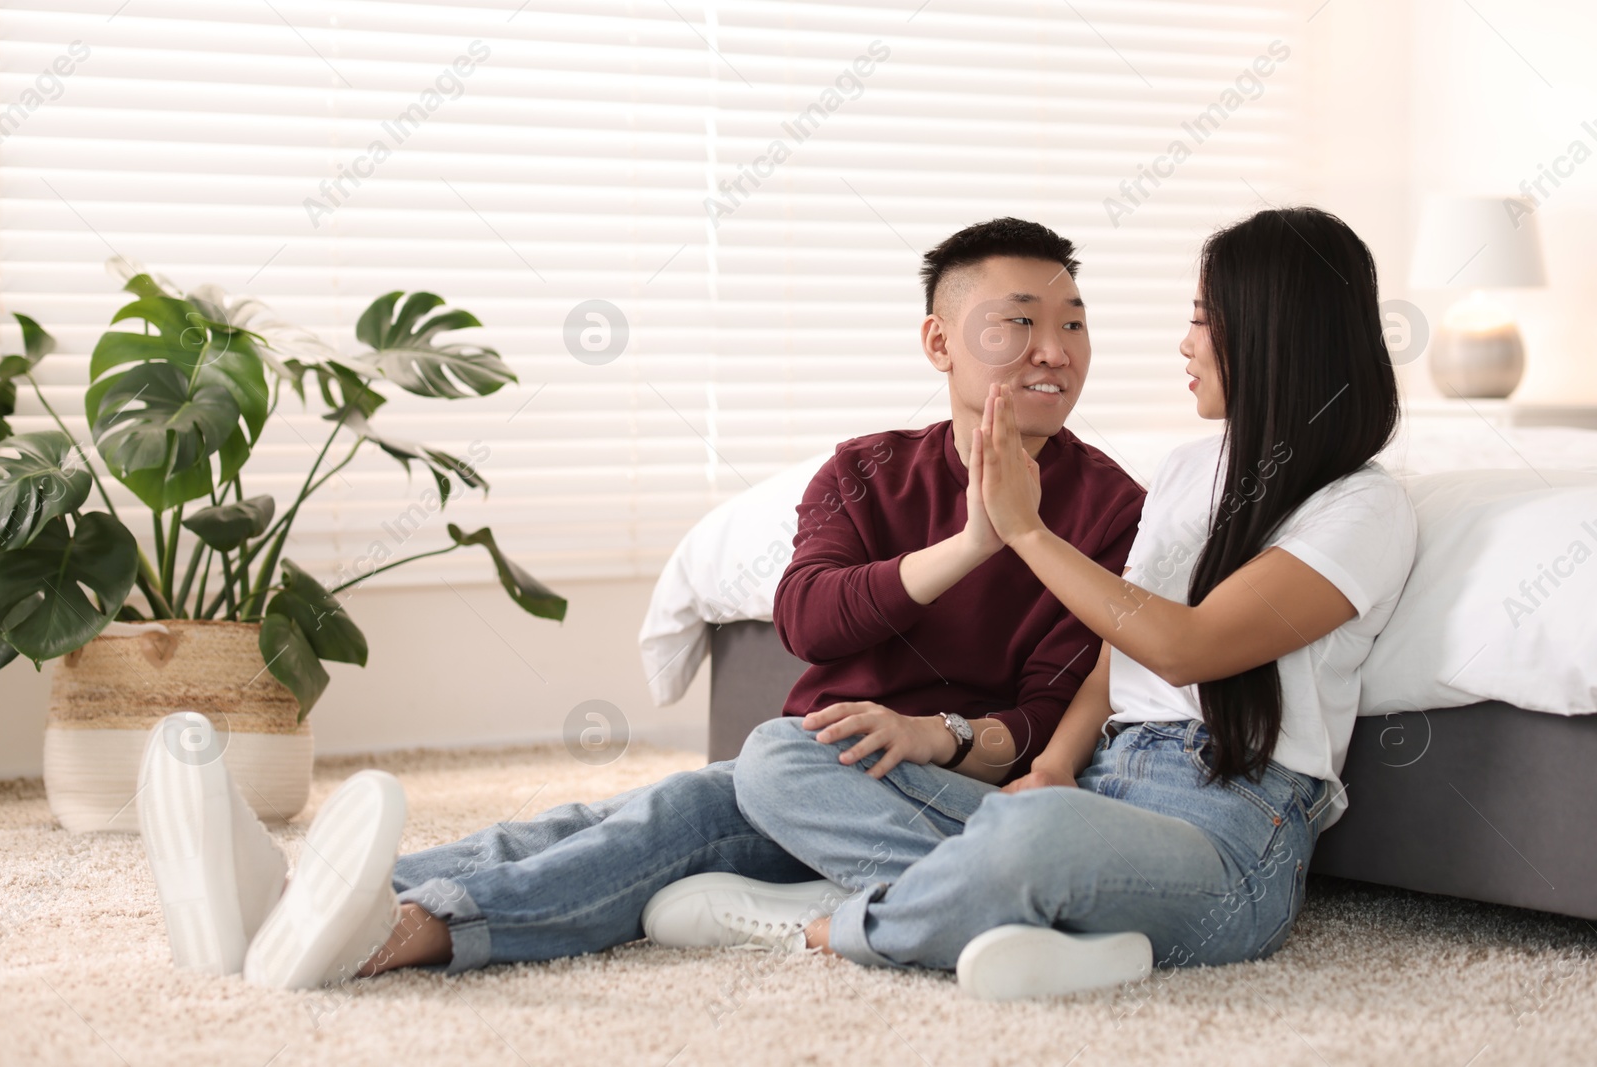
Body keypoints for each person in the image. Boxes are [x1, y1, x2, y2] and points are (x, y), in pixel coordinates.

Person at [135, 217, 1147, 987]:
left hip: (936, 785)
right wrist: (974, 540)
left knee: (710, 789)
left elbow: (1051, 709)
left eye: (1071, 323)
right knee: (637, 812)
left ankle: (396, 926)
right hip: (821, 760)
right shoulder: (866, 469)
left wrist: (931, 734)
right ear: (941, 342)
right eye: (1018, 322)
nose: (1054, 349)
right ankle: (304, 890)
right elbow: (809, 619)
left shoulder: (1112, 504)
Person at [659, 205, 1417, 1001]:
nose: (1185, 344)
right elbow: (1113, 656)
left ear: (1272, 333)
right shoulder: (1195, 470)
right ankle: (1050, 929)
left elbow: (1185, 647)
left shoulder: (1362, 509)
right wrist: (1054, 766)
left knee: (1038, 840)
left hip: (1230, 829)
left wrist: (1024, 530)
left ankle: (843, 924)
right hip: (1099, 788)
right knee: (782, 758)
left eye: (1202, 320)